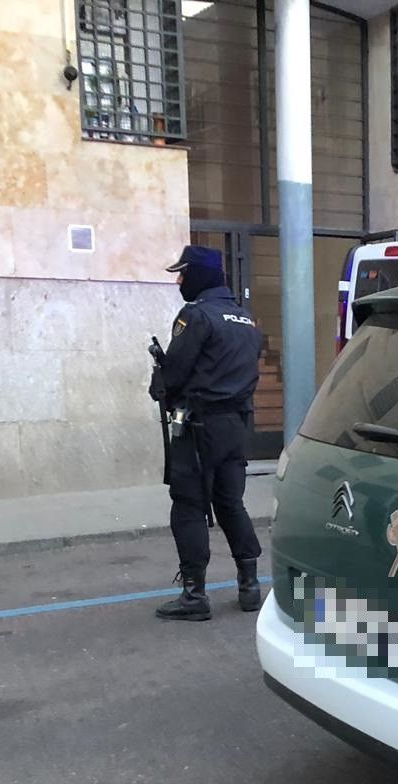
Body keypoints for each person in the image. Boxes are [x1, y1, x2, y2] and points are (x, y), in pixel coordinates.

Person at [150, 244, 264, 621]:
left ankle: (194, 595)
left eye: (183, 273)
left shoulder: (195, 316)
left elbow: (176, 374)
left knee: (189, 507)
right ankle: (249, 586)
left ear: (200, 275)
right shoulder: (246, 320)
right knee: (231, 503)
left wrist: (160, 380)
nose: (180, 280)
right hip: (236, 426)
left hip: (199, 427)